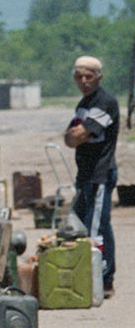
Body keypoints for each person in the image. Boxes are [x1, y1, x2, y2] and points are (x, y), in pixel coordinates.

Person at [65, 54, 120, 298]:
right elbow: (70, 138)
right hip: (85, 174)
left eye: (88, 76)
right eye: (79, 77)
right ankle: (98, 279)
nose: (83, 81)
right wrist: (75, 135)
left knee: (95, 229)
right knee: (84, 224)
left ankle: (102, 281)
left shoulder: (105, 102)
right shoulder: (84, 104)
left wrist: (77, 134)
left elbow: (78, 135)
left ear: (98, 77)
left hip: (100, 173)